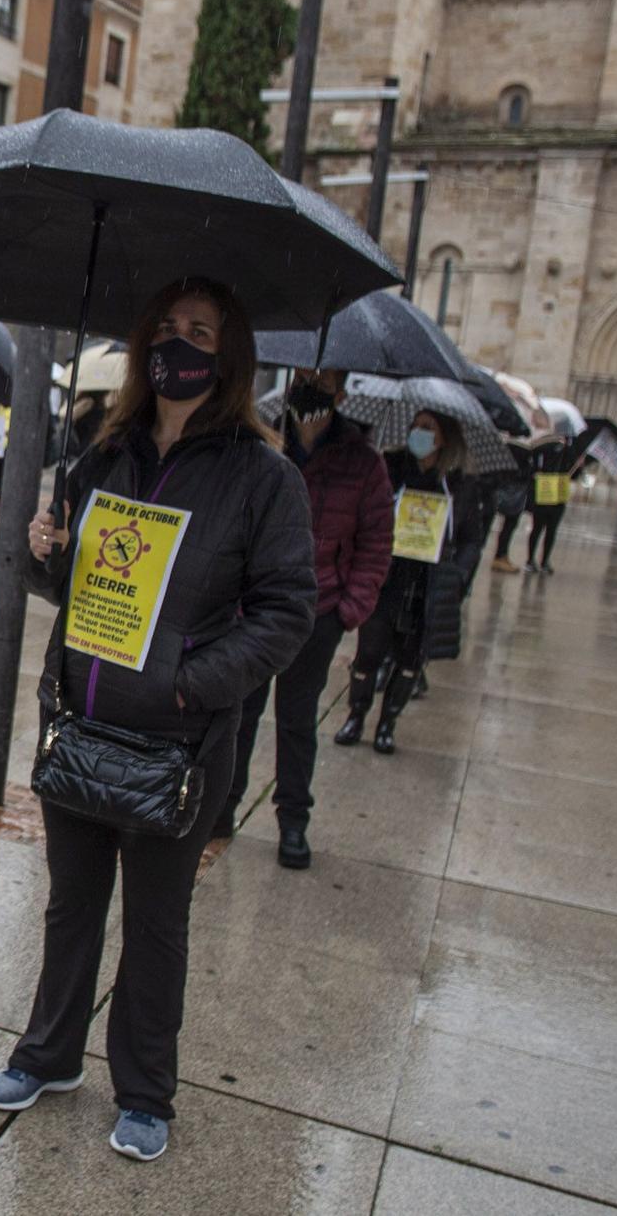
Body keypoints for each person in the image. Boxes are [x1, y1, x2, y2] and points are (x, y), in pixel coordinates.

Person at [0, 277, 315, 1163]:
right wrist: (48, 555)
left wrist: (191, 683)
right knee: (70, 908)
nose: (180, 344)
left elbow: (287, 610)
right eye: (167, 328)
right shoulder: (102, 454)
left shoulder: (263, 476)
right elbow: (78, 585)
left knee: (157, 924)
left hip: (178, 742)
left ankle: (146, 1092)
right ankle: (47, 1054)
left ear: (229, 354)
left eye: (200, 331)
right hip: (81, 721)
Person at [217, 367, 392, 867]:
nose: (309, 382)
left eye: (323, 377)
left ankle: (293, 819)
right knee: (239, 711)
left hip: (317, 612)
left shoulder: (363, 462)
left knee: (297, 721)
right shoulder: (261, 439)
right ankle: (222, 808)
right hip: (252, 606)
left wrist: (348, 610)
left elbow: (376, 543)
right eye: (304, 374)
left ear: (340, 390)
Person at [334, 410, 484, 754]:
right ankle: (356, 715)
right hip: (387, 577)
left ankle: (388, 723)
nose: (419, 433)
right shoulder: (391, 466)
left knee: (411, 657)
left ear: (444, 436)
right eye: (415, 425)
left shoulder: (459, 483)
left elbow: (471, 538)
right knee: (369, 652)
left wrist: (458, 575)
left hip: (428, 584)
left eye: (428, 428)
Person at [523, 438, 574, 575]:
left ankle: (538, 560)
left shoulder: (567, 452)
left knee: (544, 528)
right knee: (543, 528)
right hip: (549, 492)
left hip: (552, 493)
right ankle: (537, 560)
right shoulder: (547, 448)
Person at [491, 455, 531, 571]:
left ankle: (501, 555)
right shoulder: (522, 451)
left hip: (505, 490)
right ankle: (500, 555)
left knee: (508, 526)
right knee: (509, 525)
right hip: (513, 493)